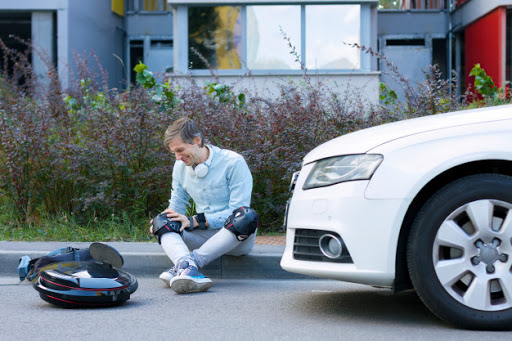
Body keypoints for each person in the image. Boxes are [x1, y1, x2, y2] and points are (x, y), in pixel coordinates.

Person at [150, 117, 257, 294]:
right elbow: (175, 208)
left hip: (235, 238)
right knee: (163, 220)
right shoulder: (180, 167)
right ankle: (186, 265)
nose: (177, 157)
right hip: (203, 237)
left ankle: (187, 265)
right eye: (174, 153)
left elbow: (237, 210)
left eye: (180, 150)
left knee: (247, 215)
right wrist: (161, 223)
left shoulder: (233, 162)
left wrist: (195, 221)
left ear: (197, 141)